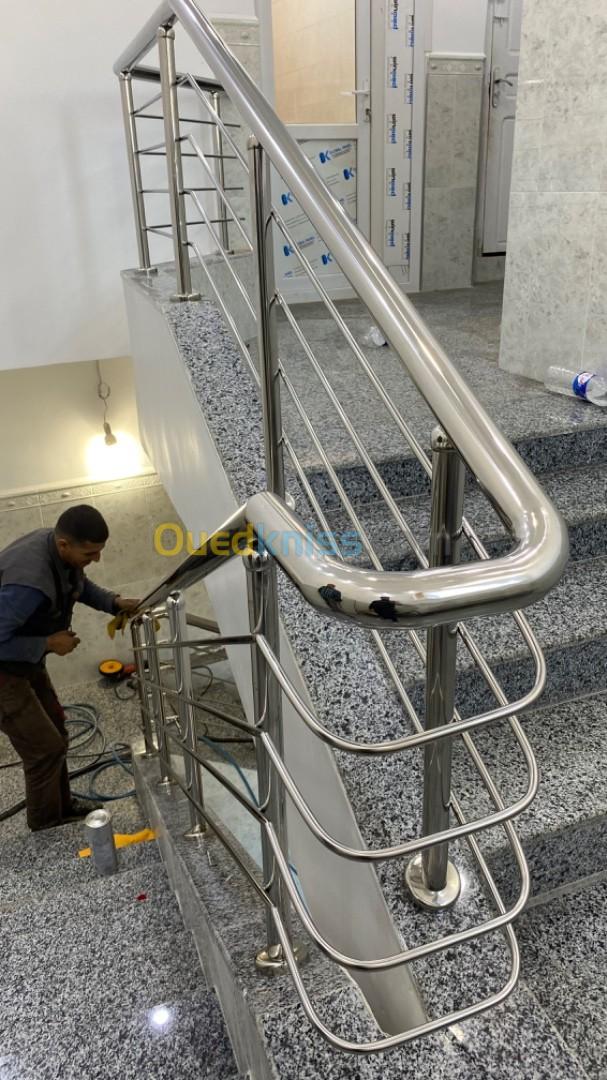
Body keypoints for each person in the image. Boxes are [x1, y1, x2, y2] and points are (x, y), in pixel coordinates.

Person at [0, 505, 139, 832]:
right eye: (90, 553)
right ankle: (48, 828)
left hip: (22, 661)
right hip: (4, 673)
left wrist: (114, 602)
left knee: (57, 734)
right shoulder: (28, 583)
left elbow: (80, 586)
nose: (96, 559)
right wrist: (48, 644)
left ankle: (63, 808)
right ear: (64, 545)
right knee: (43, 749)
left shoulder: (57, 549)